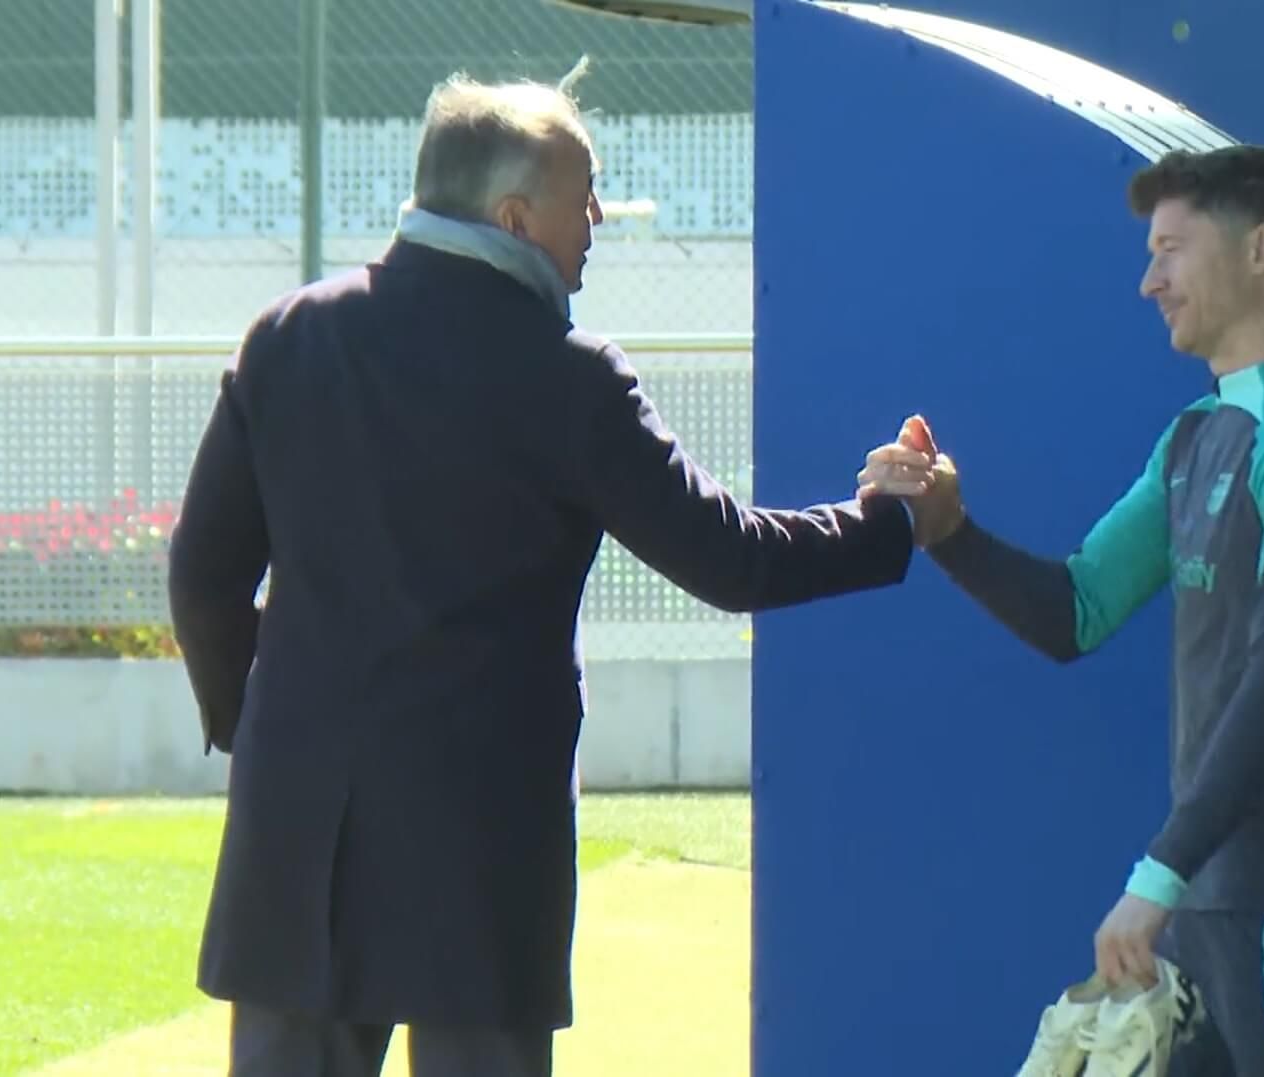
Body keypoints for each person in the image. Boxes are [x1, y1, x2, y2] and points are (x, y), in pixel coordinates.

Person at [166, 60, 915, 1077]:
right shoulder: (566, 377)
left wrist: (252, 727)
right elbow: (731, 559)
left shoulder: (289, 336)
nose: (599, 217)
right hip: (480, 839)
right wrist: (889, 520)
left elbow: (204, 576)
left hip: (300, 829)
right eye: (583, 197)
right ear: (514, 218)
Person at [858, 146, 1264, 1076]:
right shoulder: (1195, 435)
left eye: (1172, 250)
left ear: (1263, 246)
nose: (1150, 280)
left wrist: (1160, 873)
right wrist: (948, 531)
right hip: (1208, 912)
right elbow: (1077, 611)